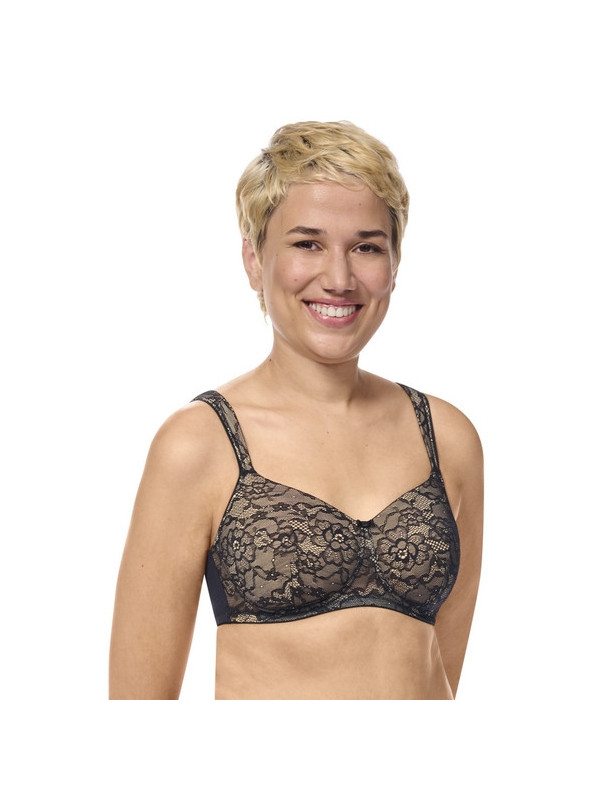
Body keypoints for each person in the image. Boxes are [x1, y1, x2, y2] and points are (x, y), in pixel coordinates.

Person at [109, 121, 484, 700]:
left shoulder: (447, 437)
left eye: (366, 246)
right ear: (253, 260)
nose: (339, 278)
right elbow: (137, 711)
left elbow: (444, 676)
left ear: (394, 264)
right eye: (307, 243)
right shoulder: (200, 443)